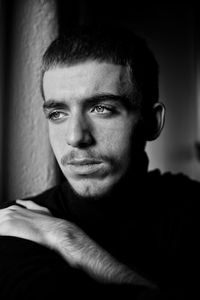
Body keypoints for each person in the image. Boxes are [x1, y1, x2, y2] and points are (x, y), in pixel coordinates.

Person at [0, 25, 198, 299]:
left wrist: (68, 240)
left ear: (151, 122)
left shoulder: (191, 208)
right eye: (57, 113)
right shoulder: (19, 222)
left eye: (101, 108)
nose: (75, 137)